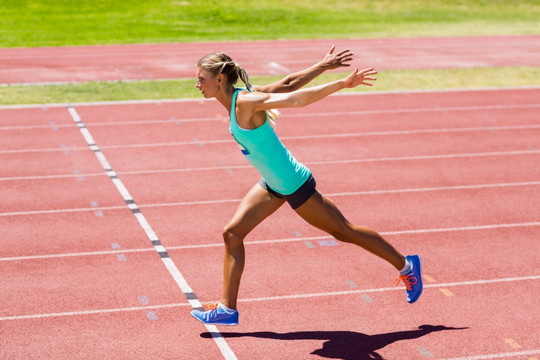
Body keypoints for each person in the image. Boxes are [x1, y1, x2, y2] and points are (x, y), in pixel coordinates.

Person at [191, 46, 422, 326]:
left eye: (202, 78)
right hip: (272, 184)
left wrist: (342, 83)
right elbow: (288, 83)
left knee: (344, 231)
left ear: (219, 80)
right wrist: (323, 65)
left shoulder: (245, 103)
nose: (197, 84)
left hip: (293, 183)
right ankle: (228, 309)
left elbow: (296, 99)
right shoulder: (243, 98)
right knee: (232, 234)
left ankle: (407, 265)